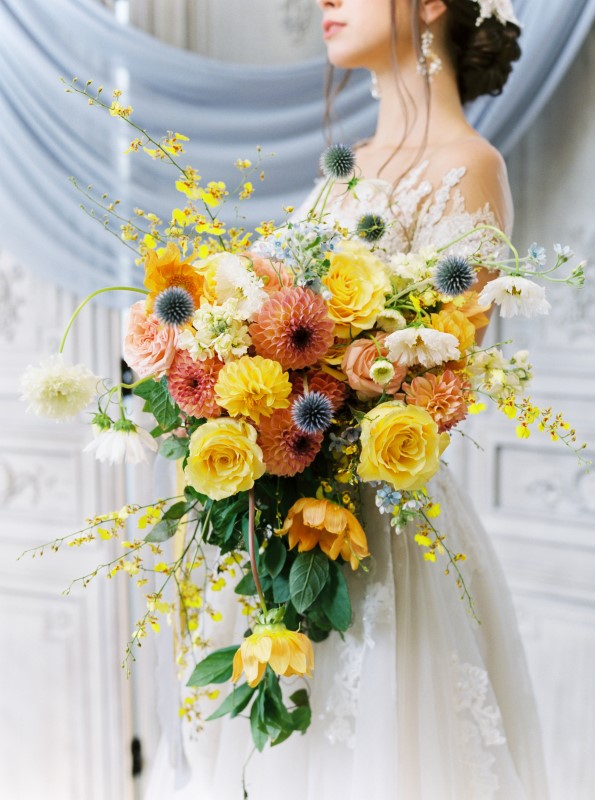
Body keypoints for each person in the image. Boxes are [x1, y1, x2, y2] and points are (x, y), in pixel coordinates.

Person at [145, 1, 550, 798]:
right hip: (288, 503)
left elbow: (437, 375)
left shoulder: (469, 165)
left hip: (378, 520)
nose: (326, 2)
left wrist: (316, 379)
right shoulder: (353, 161)